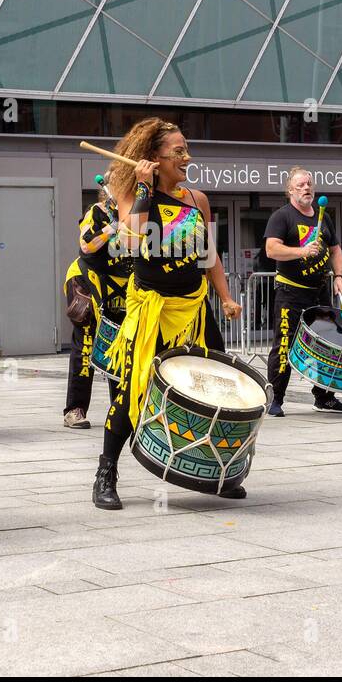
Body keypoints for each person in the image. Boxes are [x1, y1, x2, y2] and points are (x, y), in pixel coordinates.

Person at [92, 118, 242, 509]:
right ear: (153, 159)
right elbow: (131, 237)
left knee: (216, 384)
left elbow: (209, 255)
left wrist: (224, 297)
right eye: (178, 151)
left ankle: (218, 471)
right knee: (133, 389)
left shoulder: (197, 200)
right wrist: (142, 186)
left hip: (194, 307)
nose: (186, 157)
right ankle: (106, 473)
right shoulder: (132, 194)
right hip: (153, 310)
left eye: (186, 148)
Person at [263, 167, 342, 417]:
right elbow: (271, 249)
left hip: (320, 292)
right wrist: (301, 251)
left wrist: (339, 276)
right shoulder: (282, 217)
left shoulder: (324, 217)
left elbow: (335, 250)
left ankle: (324, 397)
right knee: (284, 345)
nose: (306, 188)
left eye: (309, 184)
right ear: (290, 190)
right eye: (300, 185)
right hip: (291, 293)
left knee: (325, 345)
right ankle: (275, 398)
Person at [62, 179, 132, 428]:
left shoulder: (138, 214)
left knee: (121, 343)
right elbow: (86, 245)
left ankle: (121, 406)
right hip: (87, 281)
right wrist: (113, 227)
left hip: (120, 288)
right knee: (87, 340)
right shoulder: (97, 212)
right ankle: (75, 409)